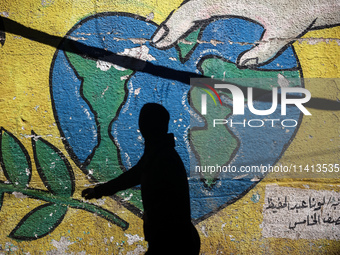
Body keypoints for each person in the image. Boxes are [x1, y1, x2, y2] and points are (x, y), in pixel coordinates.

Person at [82, 103, 200, 255]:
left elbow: (131, 178)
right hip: (174, 241)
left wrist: (99, 191)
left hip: (171, 243)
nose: (141, 126)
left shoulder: (161, 158)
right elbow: (132, 177)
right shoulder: (158, 155)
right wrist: (99, 191)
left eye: (144, 122)